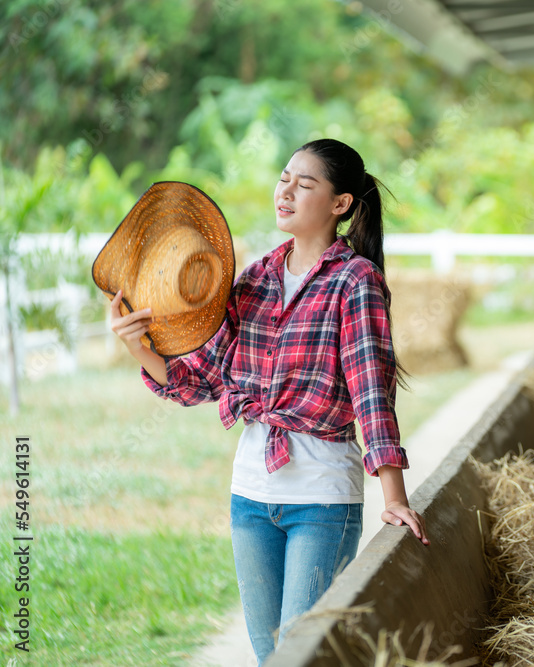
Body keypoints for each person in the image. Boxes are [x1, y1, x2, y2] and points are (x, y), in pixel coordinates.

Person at [109, 138, 428, 665]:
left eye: (305, 184)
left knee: (304, 655)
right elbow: (203, 379)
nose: (286, 191)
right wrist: (137, 347)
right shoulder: (253, 279)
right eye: (284, 179)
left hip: (322, 498)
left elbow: (373, 393)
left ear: (340, 203)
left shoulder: (356, 281)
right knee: (269, 656)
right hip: (250, 495)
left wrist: (393, 498)